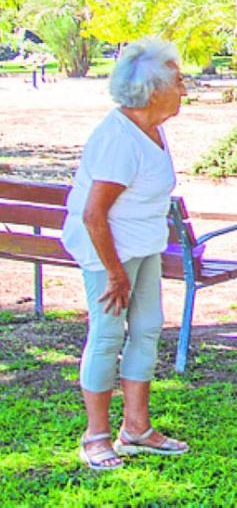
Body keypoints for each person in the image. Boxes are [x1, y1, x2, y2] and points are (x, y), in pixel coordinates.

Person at [62, 37, 190, 471]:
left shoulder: (154, 128)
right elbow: (93, 215)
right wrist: (115, 273)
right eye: (177, 81)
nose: (185, 89)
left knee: (148, 327)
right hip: (108, 251)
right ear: (153, 90)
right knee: (108, 334)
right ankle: (95, 436)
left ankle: (136, 428)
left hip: (142, 244)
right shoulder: (118, 140)